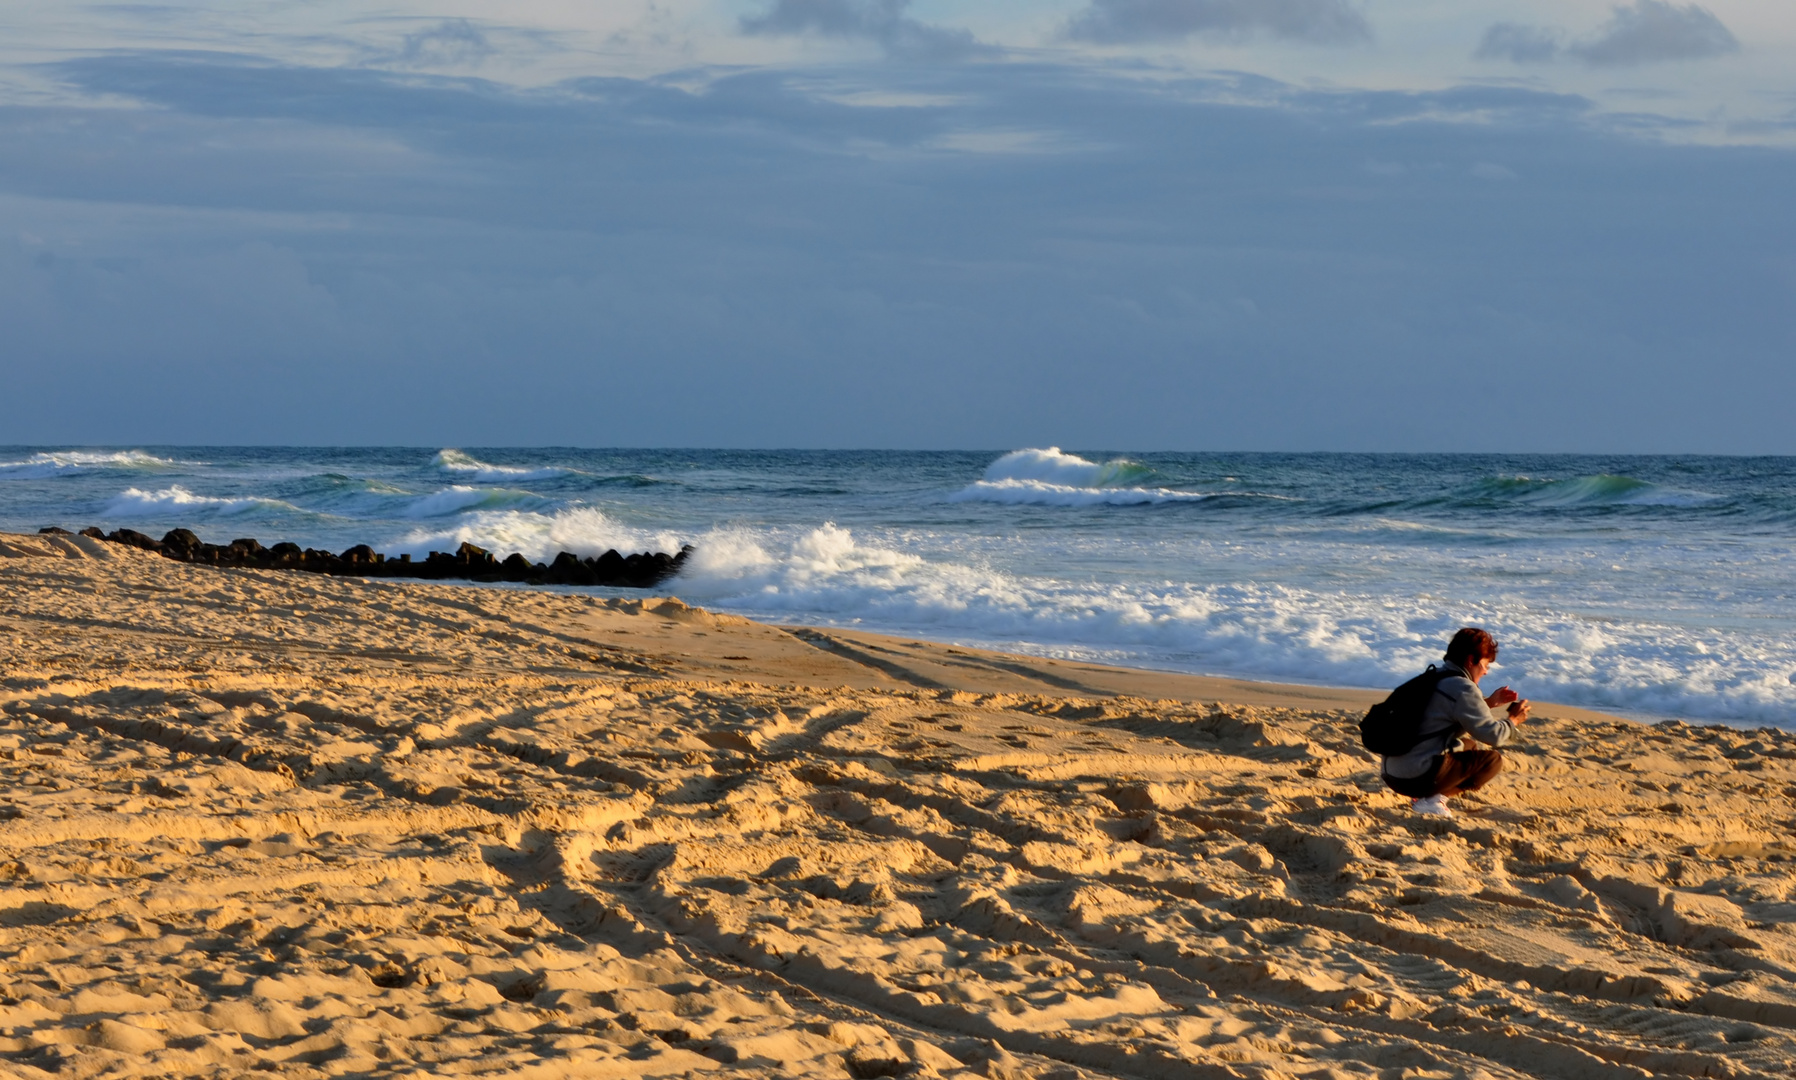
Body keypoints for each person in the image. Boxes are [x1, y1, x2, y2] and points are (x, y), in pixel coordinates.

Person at [1381, 627, 1530, 817]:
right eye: (1485, 665)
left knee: (1468, 746)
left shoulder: (1432, 677)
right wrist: (1513, 720)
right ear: (1470, 660)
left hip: (1392, 773)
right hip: (1414, 776)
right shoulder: (1462, 687)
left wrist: (1490, 703)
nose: (1485, 672)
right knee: (1491, 761)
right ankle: (1432, 800)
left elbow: (1444, 714)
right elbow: (1494, 737)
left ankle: (1425, 797)